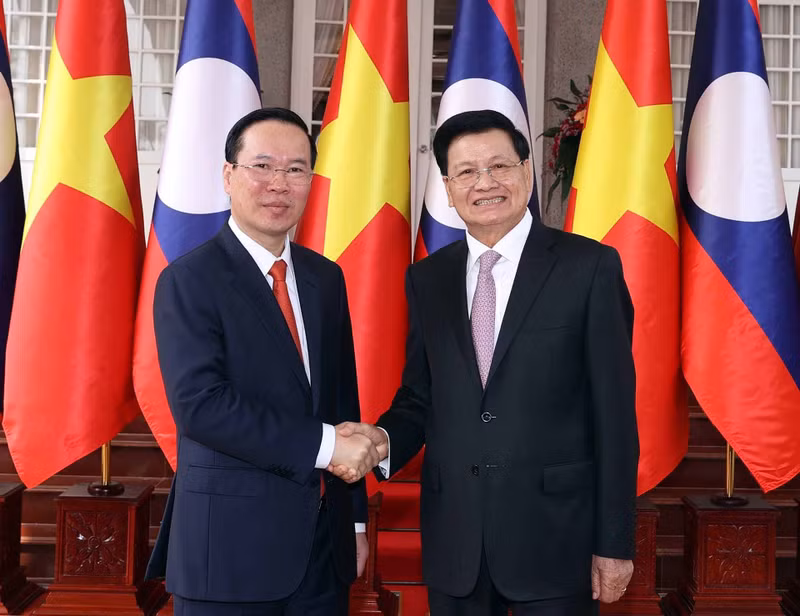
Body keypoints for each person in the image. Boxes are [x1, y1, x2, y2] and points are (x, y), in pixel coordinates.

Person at [335, 110, 639, 615]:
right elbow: (419, 396)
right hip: (456, 539)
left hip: (555, 539)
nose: (486, 183)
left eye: (500, 166)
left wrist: (614, 542)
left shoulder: (590, 268)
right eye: (468, 173)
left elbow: (615, 416)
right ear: (449, 190)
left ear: (527, 173)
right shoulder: (427, 279)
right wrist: (383, 441)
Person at [145, 107, 382, 615]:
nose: (280, 183)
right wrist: (327, 444)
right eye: (263, 166)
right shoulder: (189, 281)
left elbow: (342, 398)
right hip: (228, 555)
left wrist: (355, 522)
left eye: (296, 169)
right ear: (229, 176)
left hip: (324, 551)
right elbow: (202, 407)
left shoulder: (326, 279)